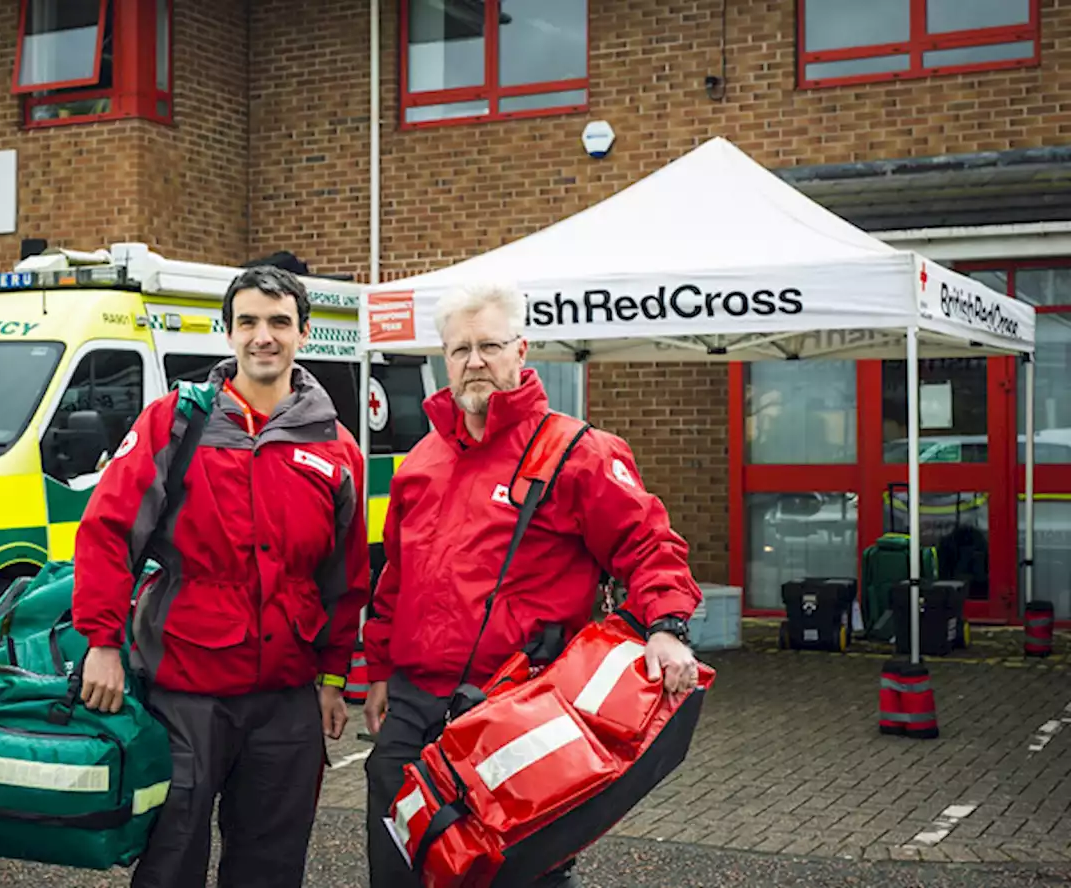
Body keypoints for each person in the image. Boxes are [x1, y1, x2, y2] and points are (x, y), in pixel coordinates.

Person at [362, 282, 704, 888]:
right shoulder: (421, 461)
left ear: (522, 350)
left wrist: (667, 627)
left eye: (490, 345)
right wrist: (381, 671)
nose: (475, 362)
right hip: (414, 709)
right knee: (400, 872)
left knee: (517, 877)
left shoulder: (578, 453)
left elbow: (648, 544)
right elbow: (395, 578)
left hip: (515, 716)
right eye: (460, 349)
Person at [72, 266, 369, 888]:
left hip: (287, 693)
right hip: (186, 686)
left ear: (303, 333)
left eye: (280, 322)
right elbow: (107, 533)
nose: (265, 336)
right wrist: (101, 643)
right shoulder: (174, 423)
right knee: (171, 856)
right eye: (249, 323)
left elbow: (345, 578)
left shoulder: (336, 447)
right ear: (227, 333)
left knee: (271, 863)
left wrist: (334, 677)